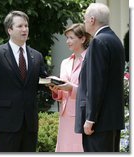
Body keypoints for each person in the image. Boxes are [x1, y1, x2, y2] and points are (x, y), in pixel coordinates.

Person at [0, 10, 48, 152]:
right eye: (20, 26)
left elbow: (43, 83)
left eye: (26, 26)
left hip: (29, 123)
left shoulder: (36, 56)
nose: (24, 29)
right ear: (10, 30)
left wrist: (56, 87)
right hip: (6, 122)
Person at [75, 3, 125, 152]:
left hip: (99, 121)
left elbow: (96, 83)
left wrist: (90, 118)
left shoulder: (98, 42)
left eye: (84, 19)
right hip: (112, 118)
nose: (84, 23)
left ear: (92, 20)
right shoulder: (115, 40)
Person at [49, 23, 91, 152]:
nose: (67, 41)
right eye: (67, 37)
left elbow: (92, 90)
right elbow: (63, 93)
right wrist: (56, 90)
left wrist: (71, 88)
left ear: (83, 39)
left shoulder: (91, 60)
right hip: (65, 115)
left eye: (71, 38)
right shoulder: (65, 62)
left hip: (82, 115)